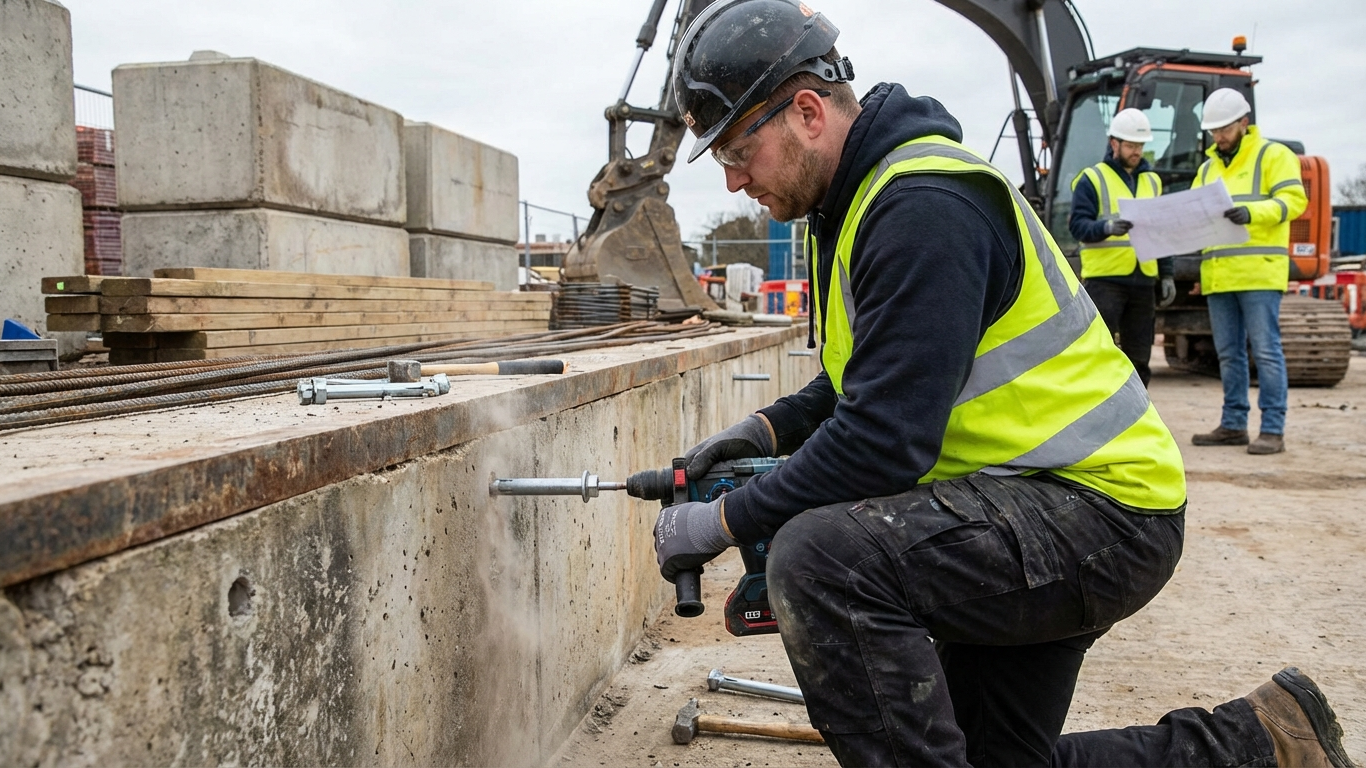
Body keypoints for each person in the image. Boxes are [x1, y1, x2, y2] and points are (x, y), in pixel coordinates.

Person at [650, 1, 1354, 765]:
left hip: (1097, 511)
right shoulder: (865, 203)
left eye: (738, 150)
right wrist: (764, 430)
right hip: (1041, 499)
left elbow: (883, 441)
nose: (733, 179)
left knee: (823, 561)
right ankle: (1262, 743)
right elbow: (861, 383)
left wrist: (725, 521)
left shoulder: (923, 207)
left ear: (808, 112)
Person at [1189, 88, 1306, 455]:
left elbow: (1294, 201)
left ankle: (1272, 429)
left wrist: (1252, 213)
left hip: (1259, 273)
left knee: (1266, 352)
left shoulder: (1274, 155)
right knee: (1228, 355)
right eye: (1214, 131)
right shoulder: (1207, 168)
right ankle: (1233, 424)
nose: (1219, 137)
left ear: (1244, 123)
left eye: (1224, 129)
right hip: (1219, 275)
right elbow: (1196, 217)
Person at [1069, 108, 1176, 386]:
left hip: (1144, 282)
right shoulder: (1092, 179)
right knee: (1099, 351)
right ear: (1114, 143)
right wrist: (1106, 228)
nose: (1136, 151)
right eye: (1130, 145)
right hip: (1106, 281)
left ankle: (1138, 409)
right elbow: (1077, 226)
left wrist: (1167, 274)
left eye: (1140, 145)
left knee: (1139, 356)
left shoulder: (1153, 181)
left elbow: (1162, 232)